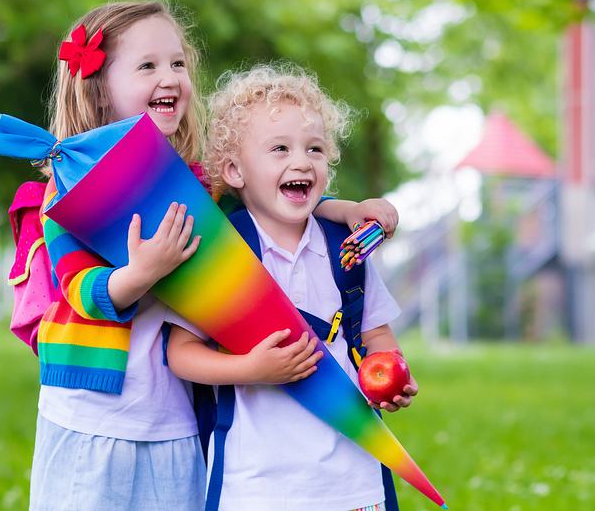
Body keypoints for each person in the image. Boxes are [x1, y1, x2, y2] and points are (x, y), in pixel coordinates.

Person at [16, 1, 400, 510]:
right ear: (99, 88)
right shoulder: (68, 185)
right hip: (94, 413)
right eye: (148, 66)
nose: (170, 77)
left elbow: (267, 194)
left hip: (174, 413)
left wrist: (346, 207)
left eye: (177, 64)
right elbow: (79, 288)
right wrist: (140, 275)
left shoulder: (195, 180)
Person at [167, 64, 417, 511]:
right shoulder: (222, 254)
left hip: (352, 477)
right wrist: (251, 369)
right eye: (279, 149)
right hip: (258, 484)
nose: (301, 161)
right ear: (235, 171)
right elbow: (180, 353)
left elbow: (375, 332)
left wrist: (391, 370)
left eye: (315, 149)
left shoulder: (346, 248)